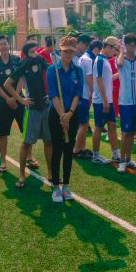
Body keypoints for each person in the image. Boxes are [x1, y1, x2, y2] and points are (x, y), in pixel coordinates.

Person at [44, 37, 84, 202]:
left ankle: (66, 186)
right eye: (65, 51)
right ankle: (55, 187)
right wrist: (62, 116)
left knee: (68, 151)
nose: (68, 54)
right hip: (56, 114)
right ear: (60, 51)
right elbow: (53, 95)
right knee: (57, 150)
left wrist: (69, 114)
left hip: (72, 114)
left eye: (71, 51)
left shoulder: (78, 70)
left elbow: (77, 94)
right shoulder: (52, 70)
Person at [15, 41, 51, 188]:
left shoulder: (41, 60)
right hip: (32, 109)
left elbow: (51, 72)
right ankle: (21, 174)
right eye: (31, 52)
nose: (35, 54)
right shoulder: (23, 64)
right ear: (26, 53)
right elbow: (7, 84)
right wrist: (21, 99)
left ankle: (51, 173)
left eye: (35, 51)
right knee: (27, 143)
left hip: (45, 106)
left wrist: (50, 94)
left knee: (49, 141)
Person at [0, 36, 23, 172]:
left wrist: (15, 96)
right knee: (2, 134)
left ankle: (30, 156)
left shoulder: (17, 60)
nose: (3, 46)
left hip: (19, 100)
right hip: (3, 103)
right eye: (1, 44)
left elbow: (21, 79)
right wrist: (8, 99)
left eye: (5, 43)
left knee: (26, 131)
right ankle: (3, 162)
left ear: (9, 45)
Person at [114, 34, 136, 172]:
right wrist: (122, 51)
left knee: (133, 131)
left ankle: (129, 159)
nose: (132, 47)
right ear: (125, 45)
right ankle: (122, 160)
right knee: (125, 132)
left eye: (134, 45)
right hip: (125, 101)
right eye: (129, 45)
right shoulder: (121, 58)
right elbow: (119, 64)